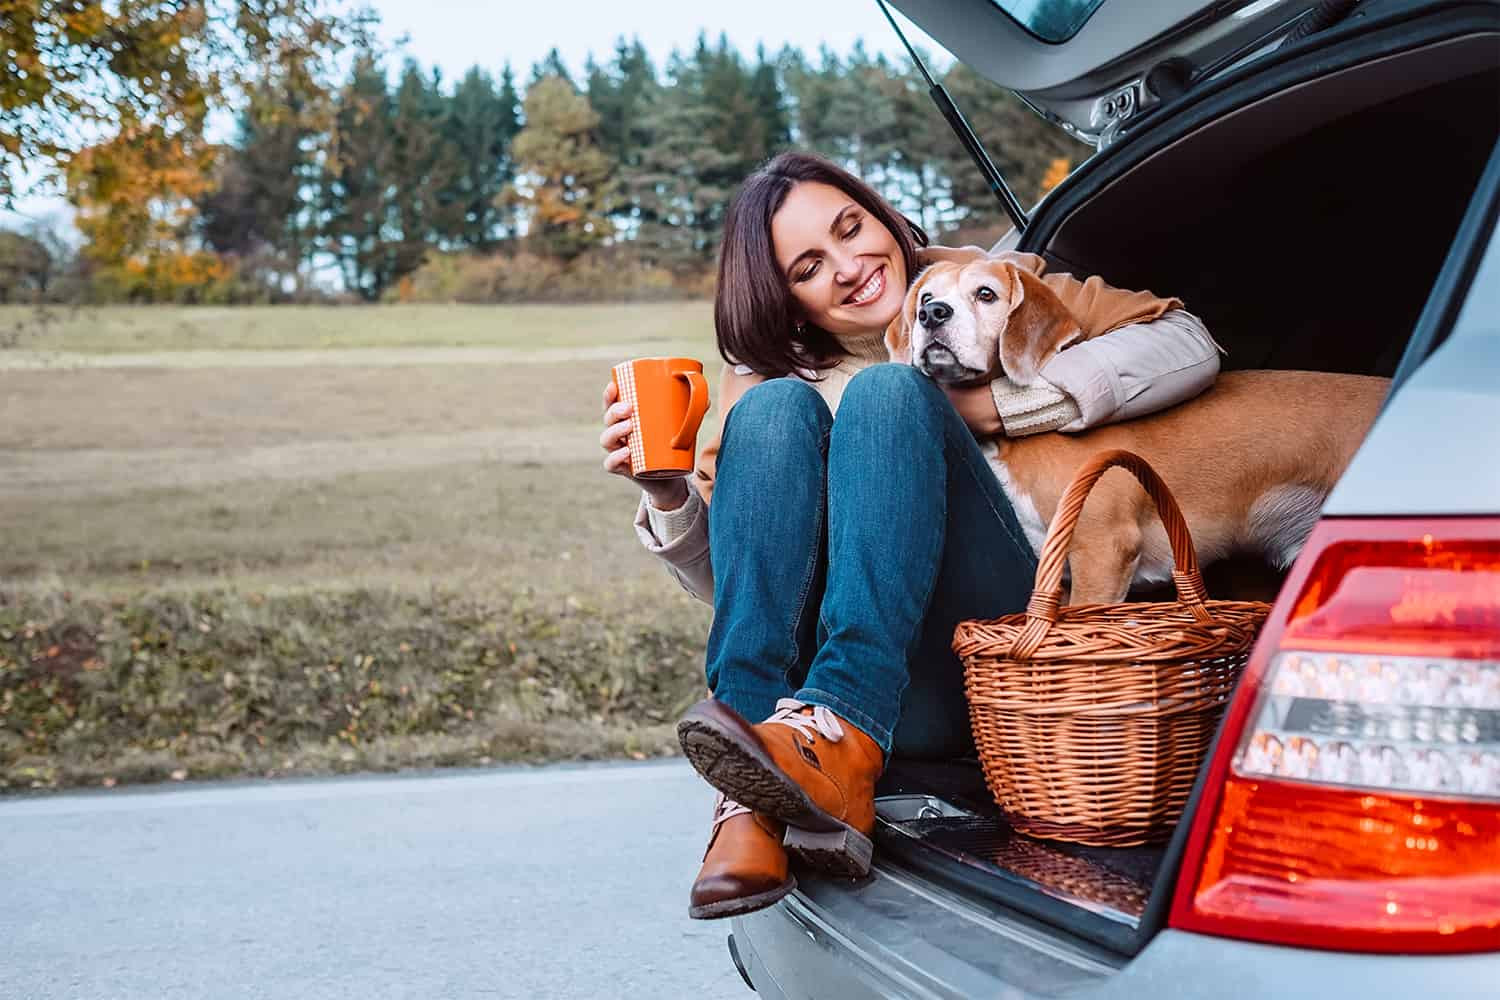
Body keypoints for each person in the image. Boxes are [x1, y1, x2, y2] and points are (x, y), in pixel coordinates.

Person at [598, 151, 1221, 920]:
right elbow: (741, 584)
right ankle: (751, 796)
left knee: (891, 393)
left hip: (991, 666)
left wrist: (993, 411)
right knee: (772, 415)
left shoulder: (990, 280)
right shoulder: (767, 385)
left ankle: (840, 740)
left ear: (878, 211)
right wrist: (666, 493)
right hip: (878, 699)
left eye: (852, 227)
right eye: (809, 266)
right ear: (788, 301)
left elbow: (1187, 344)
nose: (851, 265)